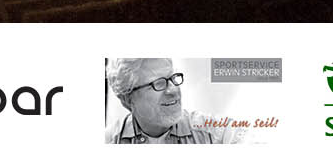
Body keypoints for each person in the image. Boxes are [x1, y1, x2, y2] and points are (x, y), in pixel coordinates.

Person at [104, 59, 243, 145]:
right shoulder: (108, 141)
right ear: (127, 100)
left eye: (172, 78)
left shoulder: (212, 132)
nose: (173, 90)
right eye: (158, 83)